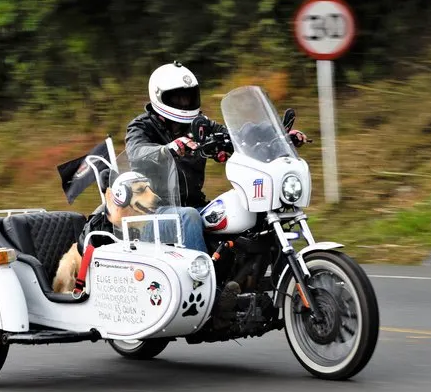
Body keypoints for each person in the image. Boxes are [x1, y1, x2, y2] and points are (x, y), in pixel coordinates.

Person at [124, 61, 309, 329]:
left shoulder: (198, 124)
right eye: (177, 97)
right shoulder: (141, 126)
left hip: (195, 204)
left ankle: (260, 285)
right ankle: (208, 296)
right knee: (188, 217)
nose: (184, 101)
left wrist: (279, 136)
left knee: (251, 215)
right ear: (159, 97)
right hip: (155, 212)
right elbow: (137, 153)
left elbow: (239, 133)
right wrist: (169, 149)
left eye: (189, 96)